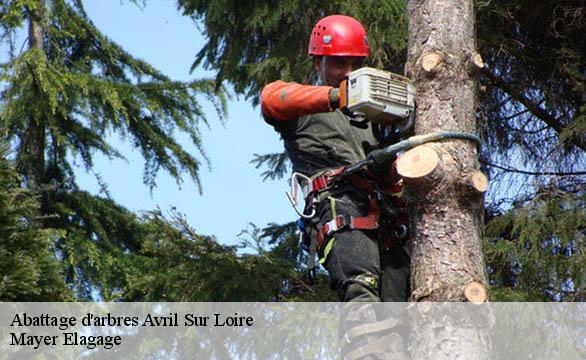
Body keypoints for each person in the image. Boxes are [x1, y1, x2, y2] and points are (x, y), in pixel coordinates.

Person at [260, 15, 410, 304]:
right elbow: (270, 98)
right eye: (340, 63)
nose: (348, 72)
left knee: (402, 311)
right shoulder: (306, 107)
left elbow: (393, 184)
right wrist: (334, 96)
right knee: (360, 290)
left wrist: (385, 170)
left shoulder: (370, 118)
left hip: (386, 220)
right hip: (339, 206)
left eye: (355, 65)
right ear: (319, 63)